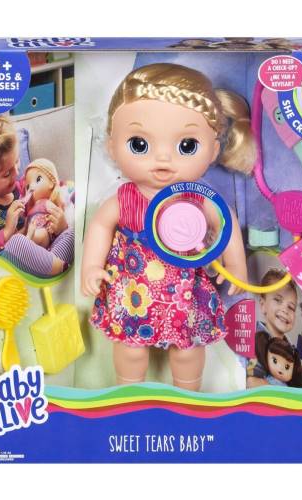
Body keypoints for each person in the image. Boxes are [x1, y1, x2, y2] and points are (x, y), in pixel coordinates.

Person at [81, 63, 257, 391]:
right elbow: (101, 226)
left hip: (185, 295)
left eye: (186, 146)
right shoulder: (125, 198)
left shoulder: (198, 197)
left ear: (213, 149)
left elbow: (226, 222)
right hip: (133, 292)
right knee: (130, 351)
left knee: (187, 351)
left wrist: (236, 265)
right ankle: (129, 394)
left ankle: (187, 396)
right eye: (139, 144)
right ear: (111, 145)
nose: (162, 159)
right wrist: (91, 266)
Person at [0, 114, 73, 276]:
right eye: (6, 173)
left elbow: (50, 192)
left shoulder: (23, 187)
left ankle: (53, 269)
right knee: (17, 242)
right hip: (4, 271)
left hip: (39, 256)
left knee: (72, 232)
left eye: (17, 162)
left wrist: (60, 226)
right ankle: (60, 270)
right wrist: (6, 232)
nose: (16, 173)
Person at [246, 269, 298, 388]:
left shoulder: (290, 349)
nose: (285, 310)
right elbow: (251, 382)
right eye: (278, 300)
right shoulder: (257, 341)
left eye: (291, 307)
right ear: (263, 305)